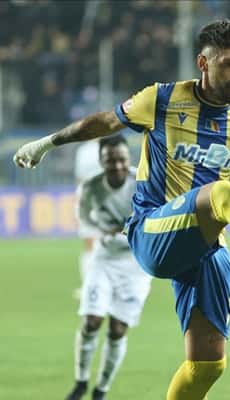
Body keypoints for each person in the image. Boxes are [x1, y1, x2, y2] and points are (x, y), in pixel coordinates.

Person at [13, 20, 230, 400]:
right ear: (203, 63)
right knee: (221, 194)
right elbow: (106, 121)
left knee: (208, 365)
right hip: (152, 230)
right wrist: (47, 143)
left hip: (204, 246)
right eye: (229, 63)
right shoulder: (162, 99)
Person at [65, 134, 152, 400]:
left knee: (117, 329)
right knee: (91, 321)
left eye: (121, 159)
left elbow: (156, 216)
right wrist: (103, 231)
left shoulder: (142, 183)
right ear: (102, 162)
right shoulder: (91, 187)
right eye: (110, 160)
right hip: (103, 260)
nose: (117, 165)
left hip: (136, 264)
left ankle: (101, 389)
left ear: (128, 158)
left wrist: (130, 231)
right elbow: (83, 219)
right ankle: (81, 381)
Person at [73, 139, 103, 299]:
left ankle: (94, 286)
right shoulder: (85, 150)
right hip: (92, 198)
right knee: (92, 243)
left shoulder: (85, 150)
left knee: (95, 244)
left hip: (99, 198)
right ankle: (91, 285)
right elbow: (80, 179)